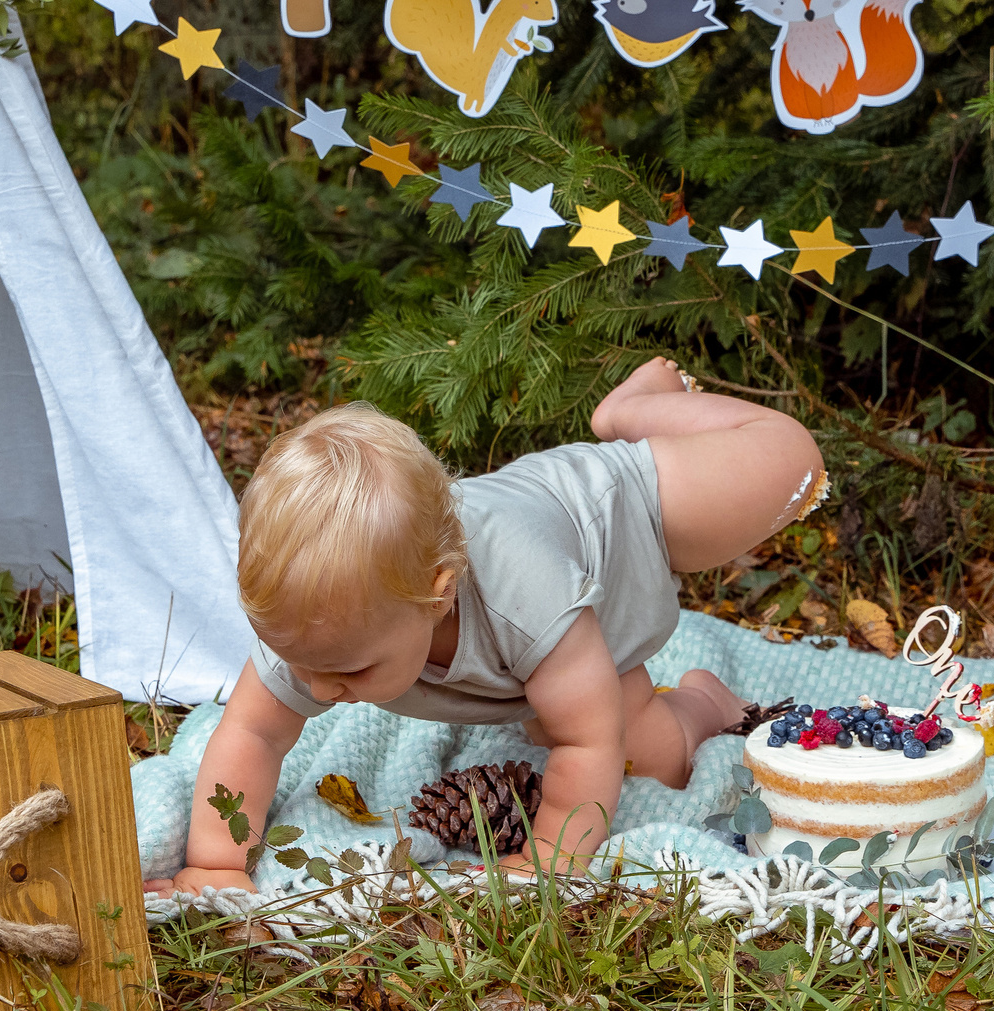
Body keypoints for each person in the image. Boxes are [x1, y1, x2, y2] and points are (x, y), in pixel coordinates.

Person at [166, 356, 827, 892]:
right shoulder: (321, 623)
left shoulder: (524, 594)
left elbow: (586, 739)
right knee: (658, 759)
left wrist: (552, 853)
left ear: (437, 596)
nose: (316, 685)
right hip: (573, 636)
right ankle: (704, 702)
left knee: (791, 462)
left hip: (627, 506)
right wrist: (217, 863)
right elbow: (251, 733)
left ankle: (632, 408)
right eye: (297, 659)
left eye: (348, 670)